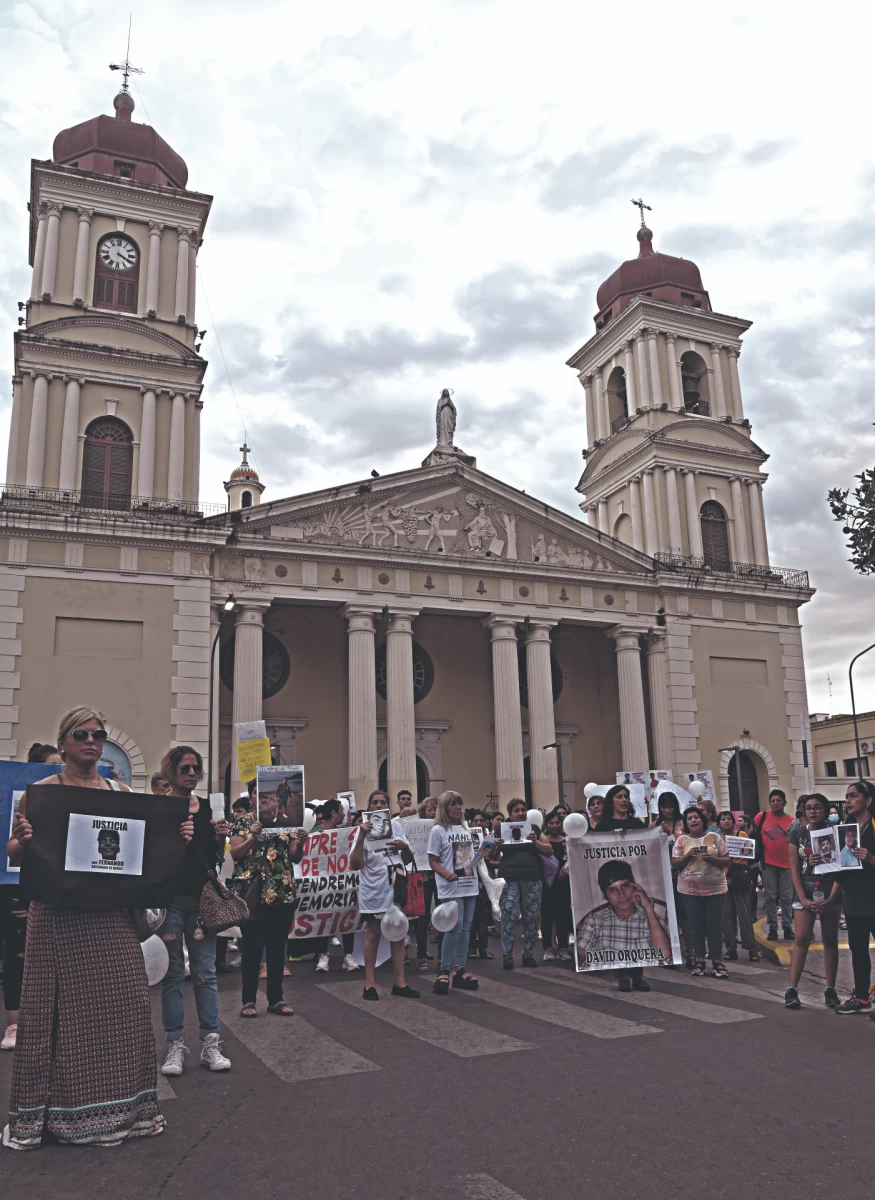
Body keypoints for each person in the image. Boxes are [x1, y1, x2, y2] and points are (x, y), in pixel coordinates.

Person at [3, 706, 194, 1149]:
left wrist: (175, 836)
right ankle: (56, 1115)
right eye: (82, 734)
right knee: (60, 1017)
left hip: (110, 916)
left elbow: (142, 852)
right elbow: (14, 853)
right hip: (58, 917)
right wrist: (22, 841)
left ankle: (126, 1111)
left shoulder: (120, 791)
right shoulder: (41, 792)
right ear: (65, 742)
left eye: (99, 734)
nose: (92, 741)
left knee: (122, 1008)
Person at [159, 746, 231, 1076]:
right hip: (171, 901)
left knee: (205, 973)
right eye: (185, 768)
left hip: (202, 901)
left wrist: (218, 839)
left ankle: (210, 1043)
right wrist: (177, 842)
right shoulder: (160, 808)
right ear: (171, 771)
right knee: (173, 975)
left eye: (195, 768)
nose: (191, 773)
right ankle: (175, 1046)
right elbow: (152, 854)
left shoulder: (206, 809)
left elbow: (215, 860)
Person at [229, 786, 308, 1017]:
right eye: (258, 794)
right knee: (252, 949)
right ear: (252, 797)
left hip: (282, 892)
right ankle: (248, 1000)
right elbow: (235, 854)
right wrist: (252, 837)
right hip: (252, 894)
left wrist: (300, 842)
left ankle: (276, 999)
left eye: (270, 795)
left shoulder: (286, 821)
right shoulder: (243, 823)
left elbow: (294, 856)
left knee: (276, 949)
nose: (264, 799)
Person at [349, 790, 419, 1001]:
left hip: (395, 889)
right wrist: (362, 835)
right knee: (374, 932)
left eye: (382, 802)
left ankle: (400, 983)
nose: (378, 805)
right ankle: (369, 984)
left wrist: (404, 846)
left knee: (397, 933)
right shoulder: (361, 830)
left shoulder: (396, 826)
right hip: (374, 891)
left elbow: (407, 859)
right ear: (369, 807)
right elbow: (355, 864)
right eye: (375, 802)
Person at [785, 793, 841, 1009]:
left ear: (826, 810)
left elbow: (842, 868)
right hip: (806, 886)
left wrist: (832, 896)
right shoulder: (797, 833)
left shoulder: (836, 833)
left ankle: (831, 989)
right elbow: (794, 868)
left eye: (818, 807)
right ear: (803, 811)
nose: (813, 811)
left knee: (830, 939)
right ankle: (792, 989)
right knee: (801, 937)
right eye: (809, 808)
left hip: (831, 887)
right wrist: (803, 898)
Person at [576, 860, 671, 986]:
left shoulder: (649, 918)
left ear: (635, 887)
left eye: (625, 886)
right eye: (612, 890)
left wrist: (648, 907)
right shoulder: (595, 920)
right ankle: (623, 976)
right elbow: (581, 950)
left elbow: (664, 954)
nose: (621, 894)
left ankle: (637, 977)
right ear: (606, 895)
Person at [485, 797, 553, 969]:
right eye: (517, 810)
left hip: (532, 876)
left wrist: (535, 841)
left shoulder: (534, 829)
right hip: (509, 877)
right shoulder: (502, 829)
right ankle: (507, 955)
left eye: (523, 810)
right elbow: (488, 855)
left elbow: (549, 850)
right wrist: (496, 846)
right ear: (510, 813)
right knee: (508, 915)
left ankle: (528, 955)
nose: (521, 813)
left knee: (531, 917)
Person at [427, 791, 480, 994]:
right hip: (451, 885)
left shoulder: (466, 829)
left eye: (460, 803)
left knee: (466, 927)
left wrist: (487, 850)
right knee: (454, 927)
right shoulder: (438, 831)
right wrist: (446, 874)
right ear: (444, 808)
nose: (458, 807)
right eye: (453, 804)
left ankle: (460, 969)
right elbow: (432, 860)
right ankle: (444, 969)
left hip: (469, 883)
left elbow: (470, 858)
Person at [672, 806, 730, 978]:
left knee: (715, 926)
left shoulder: (715, 837)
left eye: (696, 817)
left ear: (702, 820)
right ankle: (699, 961)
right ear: (686, 823)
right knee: (695, 926)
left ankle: (718, 962)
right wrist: (688, 855)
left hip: (715, 889)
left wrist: (713, 859)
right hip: (689, 891)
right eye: (689, 818)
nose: (693, 821)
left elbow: (727, 860)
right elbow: (675, 864)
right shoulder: (681, 841)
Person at [834, 780, 875, 1014]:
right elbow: (839, 866)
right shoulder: (846, 828)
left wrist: (871, 858)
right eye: (847, 796)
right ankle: (861, 997)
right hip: (853, 899)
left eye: (853, 796)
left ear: (868, 800)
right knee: (858, 950)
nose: (848, 800)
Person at [310, 799, 358, 973]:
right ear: (333, 813)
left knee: (347, 915)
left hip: (342, 882)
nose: (344, 814)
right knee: (322, 917)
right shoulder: (315, 833)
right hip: (321, 882)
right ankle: (323, 955)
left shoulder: (342, 833)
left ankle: (348, 955)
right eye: (341, 811)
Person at [717, 811, 759, 962]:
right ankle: (731, 948)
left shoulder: (742, 835)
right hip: (722, 880)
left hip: (740, 878)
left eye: (729, 818)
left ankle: (752, 949)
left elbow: (749, 854)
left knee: (745, 915)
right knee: (727, 916)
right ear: (719, 823)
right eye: (723, 819)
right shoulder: (716, 839)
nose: (726, 821)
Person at [754, 789, 794, 941]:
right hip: (768, 863)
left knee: (786, 897)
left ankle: (788, 927)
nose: (776, 803)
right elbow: (752, 834)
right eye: (773, 801)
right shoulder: (761, 817)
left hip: (787, 864)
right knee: (770, 897)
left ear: (784, 802)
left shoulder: (791, 821)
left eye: (779, 800)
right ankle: (772, 928)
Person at [541, 809, 573, 961]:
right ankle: (547, 947)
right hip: (546, 884)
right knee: (547, 916)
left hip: (563, 884)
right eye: (551, 823)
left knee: (563, 917)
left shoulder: (566, 841)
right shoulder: (543, 843)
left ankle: (563, 948)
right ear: (546, 824)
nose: (554, 825)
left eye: (557, 822)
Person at [415, 795, 439, 972]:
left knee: (442, 915)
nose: (432, 813)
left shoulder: (442, 828)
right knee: (422, 918)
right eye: (429, 810)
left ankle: (442, 955)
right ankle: (422, 954)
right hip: (423, 877)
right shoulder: (417, 829)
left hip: (440, 875)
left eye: (435, 810)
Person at [467, 812, 494, 960]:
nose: (478, 822)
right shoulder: (465, 836)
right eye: (475, 820)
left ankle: (483, 948)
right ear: (470, 823)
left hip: (484, 881)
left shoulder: (490, 839)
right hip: (469, 879)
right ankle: (471, 948)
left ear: (486, 823)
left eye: (481, 820)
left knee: (483, 918)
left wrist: (489, 853)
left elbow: (495, 857)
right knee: (471, 918)